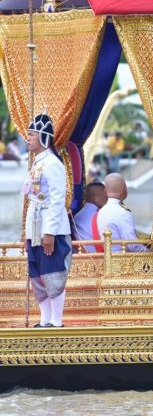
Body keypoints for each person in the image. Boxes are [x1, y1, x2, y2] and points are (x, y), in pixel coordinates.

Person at [23, 111, 72, 327]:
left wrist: (49, 232)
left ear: (43, 136)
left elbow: (57, 199)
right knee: (37, 273)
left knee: (52, 272)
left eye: (32, 134)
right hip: (34, 226)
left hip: (49, 228)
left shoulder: (53, 164)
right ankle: (44, 319)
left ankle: (57, 320)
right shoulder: (36, 163)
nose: (28, 138)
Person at [97, 173, 148, 253]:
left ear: (105, 191)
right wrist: (149, 252)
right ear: (125, 189)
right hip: (122, 261)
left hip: (108, 259)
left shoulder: (101, 211)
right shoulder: (123, 213)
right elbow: (133, 246)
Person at [73, 181, 108, 253]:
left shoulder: (77, 216)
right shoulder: (101, 215)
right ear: (94, 197)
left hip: (81, 256)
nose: (107, 199)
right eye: (105, 196)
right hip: (98, 256)